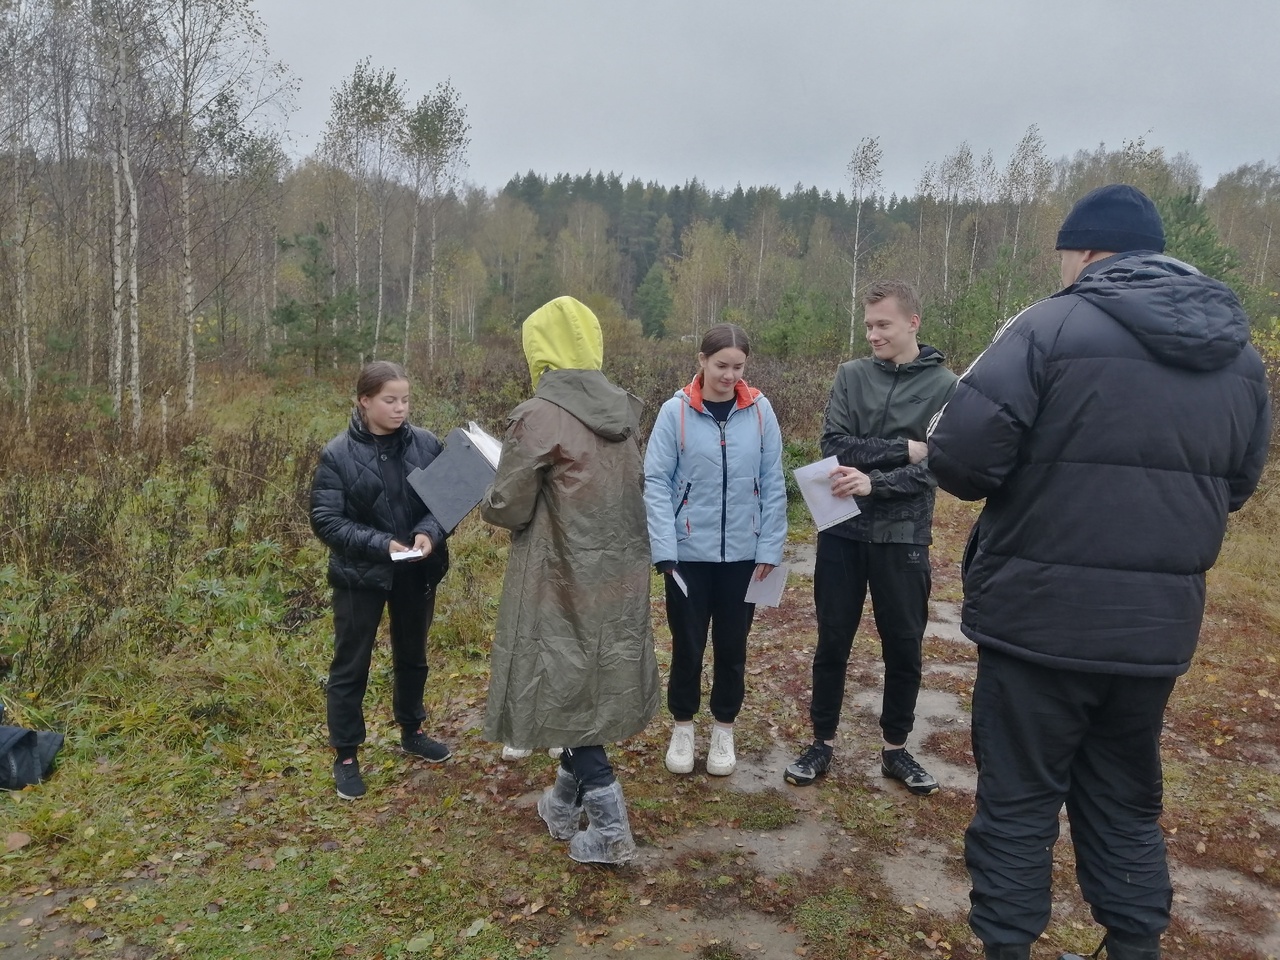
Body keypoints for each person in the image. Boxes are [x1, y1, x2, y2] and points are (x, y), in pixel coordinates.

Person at [927, 184, 1271, 960]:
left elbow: (960, 458)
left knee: (1018, 801)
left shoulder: (1046, 327)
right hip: (1152, 634)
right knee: (1124, 802)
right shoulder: (1240, 357)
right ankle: (1134, 946)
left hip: (1037, 625)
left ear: (1084, 252)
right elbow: (1237, 486)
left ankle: (1009, 947)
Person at [481, 296, 660, 865]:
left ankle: (610, 833)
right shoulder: (623, 412)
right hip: (615, 571)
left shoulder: (538, 415)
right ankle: (562, 806)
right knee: (587, 680)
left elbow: (509, 506)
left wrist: (490, 488)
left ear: (540, 350)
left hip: (558, 572)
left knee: (563, 680)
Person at [784, 280, 957, 794]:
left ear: (912, 323)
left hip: (904, 538)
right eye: (868, 325)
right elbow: (835, 444)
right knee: (832, 640)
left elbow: (941, 464)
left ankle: (897, 750)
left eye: (882, 324)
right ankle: (821, 743)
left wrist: (875, 482)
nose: (873, 334)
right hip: (842, 530)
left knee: (903, 645)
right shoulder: (851, 375)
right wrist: (906, 449)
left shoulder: (946, 387)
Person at [644, 323, 786, 777]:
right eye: (721, 365)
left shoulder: (761, 412)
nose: (729, 375)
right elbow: (656, 482)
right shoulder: (675, 413)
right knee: (687, 644)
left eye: (738, 367)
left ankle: (724, 728)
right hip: (688, 556)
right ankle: (683, 727)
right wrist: (664, 547)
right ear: (702, 361)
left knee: (733, 646)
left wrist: (770, 546)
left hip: (744, 557)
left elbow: (773, 483)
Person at [310, 361, 454, 801]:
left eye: (405, 399)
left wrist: (429, 533)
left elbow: (448, 498)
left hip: (416, 571)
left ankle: (412, 729)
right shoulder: (337, 455)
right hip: (361, 577)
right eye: (390, 400)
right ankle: (347, 755)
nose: (400, 408)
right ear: (365, 401)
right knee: (350, 665)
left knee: (413, 654)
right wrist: (381, 545)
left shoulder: (426, 444)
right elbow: (326, 520)